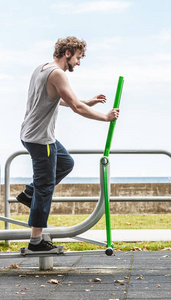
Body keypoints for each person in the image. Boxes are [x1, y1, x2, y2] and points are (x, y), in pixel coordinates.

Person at [17, 36, 120, 252]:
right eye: (78, 58)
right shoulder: (58, 74)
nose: (79, 63)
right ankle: (36, 242)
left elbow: (58, 98)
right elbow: (76, 108)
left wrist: (86, 101)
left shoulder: (42, 69)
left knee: (65, 163)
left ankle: (29, 193)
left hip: (31, 135)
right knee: (44, 187)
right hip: (40, 138)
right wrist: (105, 117)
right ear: (68, 53)